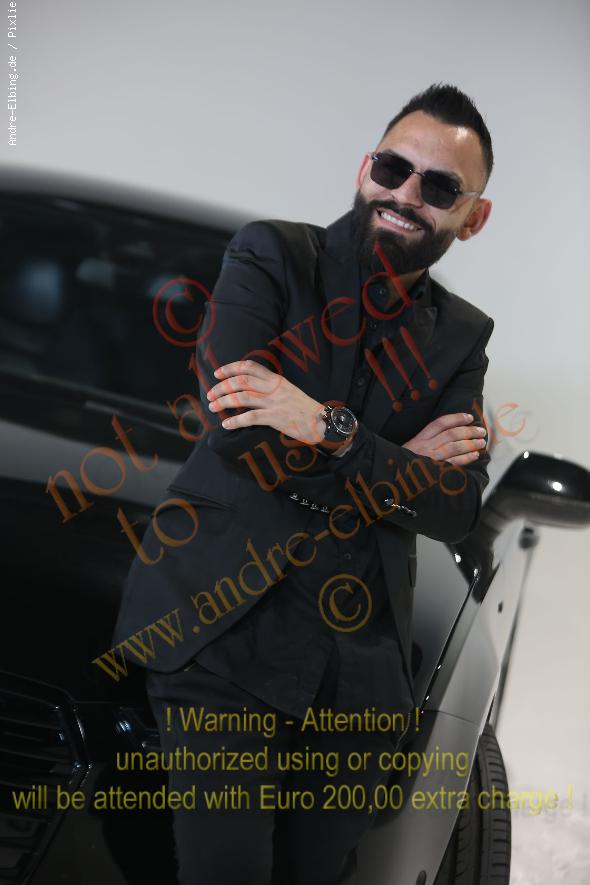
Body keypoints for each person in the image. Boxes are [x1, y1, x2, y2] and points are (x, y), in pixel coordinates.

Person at [110, 82, 495, 884]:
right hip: (220, 633)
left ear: (473, 217)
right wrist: (397, 464)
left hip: (357, 675)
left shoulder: (462, 336)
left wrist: (327, 425)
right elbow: (242, 436)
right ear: (364, 169)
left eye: (440, 187)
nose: (406, 194)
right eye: (393, 168)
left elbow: (456, 507)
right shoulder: (272, 258)